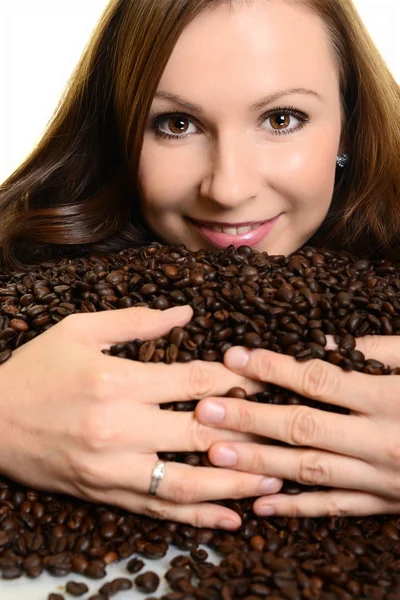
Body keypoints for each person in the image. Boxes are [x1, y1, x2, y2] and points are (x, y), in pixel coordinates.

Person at [0, 0, 399, 529]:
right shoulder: (27, 275)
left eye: (282, 119)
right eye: (176, 123)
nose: (229, 189)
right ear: (119, 132)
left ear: (348, 125)